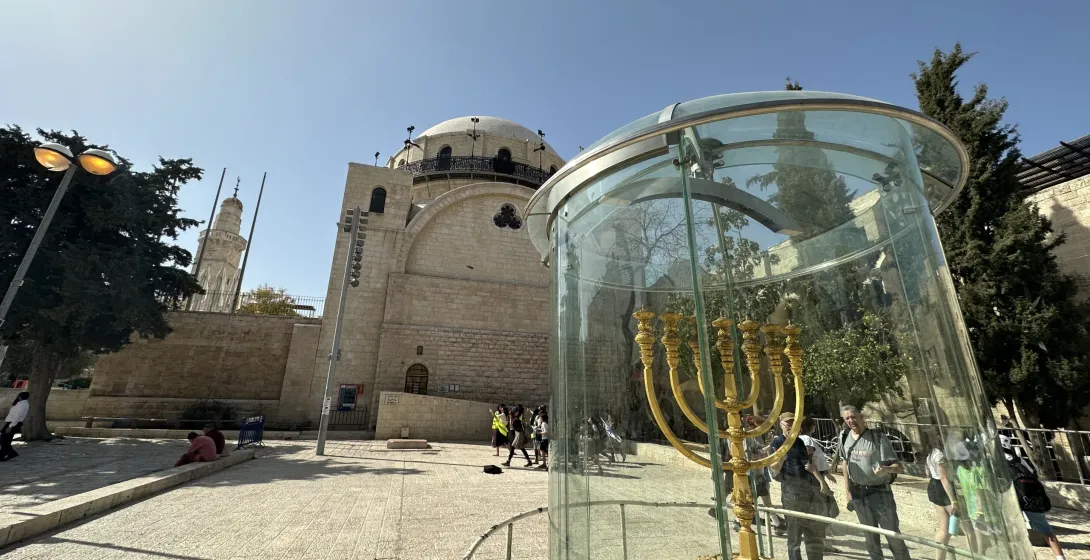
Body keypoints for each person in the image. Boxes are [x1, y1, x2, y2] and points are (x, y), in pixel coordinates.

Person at [839, 405, 910, 560]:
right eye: (847, 418)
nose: (851, 420)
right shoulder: (844, 437)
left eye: (853, 417)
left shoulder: (878, 437)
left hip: (880, 493)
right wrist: (847, 491)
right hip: (859, 494)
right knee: (870, 537)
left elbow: (899, 467)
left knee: (892, 534)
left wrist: (886, 469)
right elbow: (845, 463)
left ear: (861, 417)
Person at [1000, 435, 1066, 560]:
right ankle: (1060, 557)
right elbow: (1032, 474)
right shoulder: (1018, 459)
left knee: (1011, 531)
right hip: (1029, 497)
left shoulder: (996, 460)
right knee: (1046, 530)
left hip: (1011, 498)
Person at [770, 412, 826, 560]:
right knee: (794, 535)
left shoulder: (799, 441)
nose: (790, 426)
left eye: (793, 423)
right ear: (781, 424)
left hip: (808, 492)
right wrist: (781, 459)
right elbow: (774, 468)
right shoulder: (777, 442)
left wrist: (817, 476)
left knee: (813, 532)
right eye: (787, 423)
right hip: (791, 494)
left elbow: (807, 463)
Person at [925, 431, 961, 560]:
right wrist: (953, 500)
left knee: (944, 529)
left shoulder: (932, 453)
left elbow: (927, 473)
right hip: (943, 488)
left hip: (934, 486)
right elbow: (944, 477)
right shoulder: (940, 455)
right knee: (965, 525)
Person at [953, 441, 993, 553]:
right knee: (991, 537)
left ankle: (980, 554)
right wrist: (980, 510)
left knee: (978, 534)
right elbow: (980, 491)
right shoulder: (978, 470)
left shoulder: (960, 470)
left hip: (972, 509)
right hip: (984, 510)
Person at [1, 392, 30, 461]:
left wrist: (10, 426)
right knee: (5, 439)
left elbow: (17, 416)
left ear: (20, 396)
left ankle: (10, 453)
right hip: (12, 422)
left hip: (13, 423)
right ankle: (6, 454)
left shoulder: (22, 404)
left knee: (5, 440)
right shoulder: (20, 403)